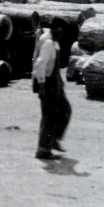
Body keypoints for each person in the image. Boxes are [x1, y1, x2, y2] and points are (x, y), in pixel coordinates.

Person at [32, 17, 72, 161]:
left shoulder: (54, 41)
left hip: (55, 83)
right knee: (49, 117)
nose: (62, 35)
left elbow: (53, 64)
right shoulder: (48, 42)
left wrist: (60, 82)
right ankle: (43, 150)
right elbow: (40, 64)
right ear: (55, 28)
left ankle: (54, 138)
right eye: (60, 31)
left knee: (65, 109)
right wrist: (41, 85)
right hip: (47, 83)